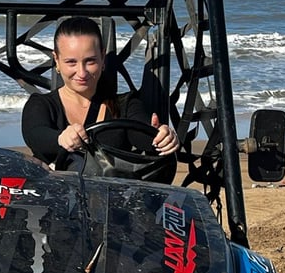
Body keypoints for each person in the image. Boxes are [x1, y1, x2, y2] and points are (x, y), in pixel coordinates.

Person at [21, 16, 179, 168]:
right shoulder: (41, 105)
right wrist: (60, 139)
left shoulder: (125, 104)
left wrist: (161, 136)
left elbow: (144, 136)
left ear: (103, 58)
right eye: (71, 62)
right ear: (57, 61)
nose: (82, 72)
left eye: (90, 61)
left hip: (110, 192)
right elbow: (36, 135)